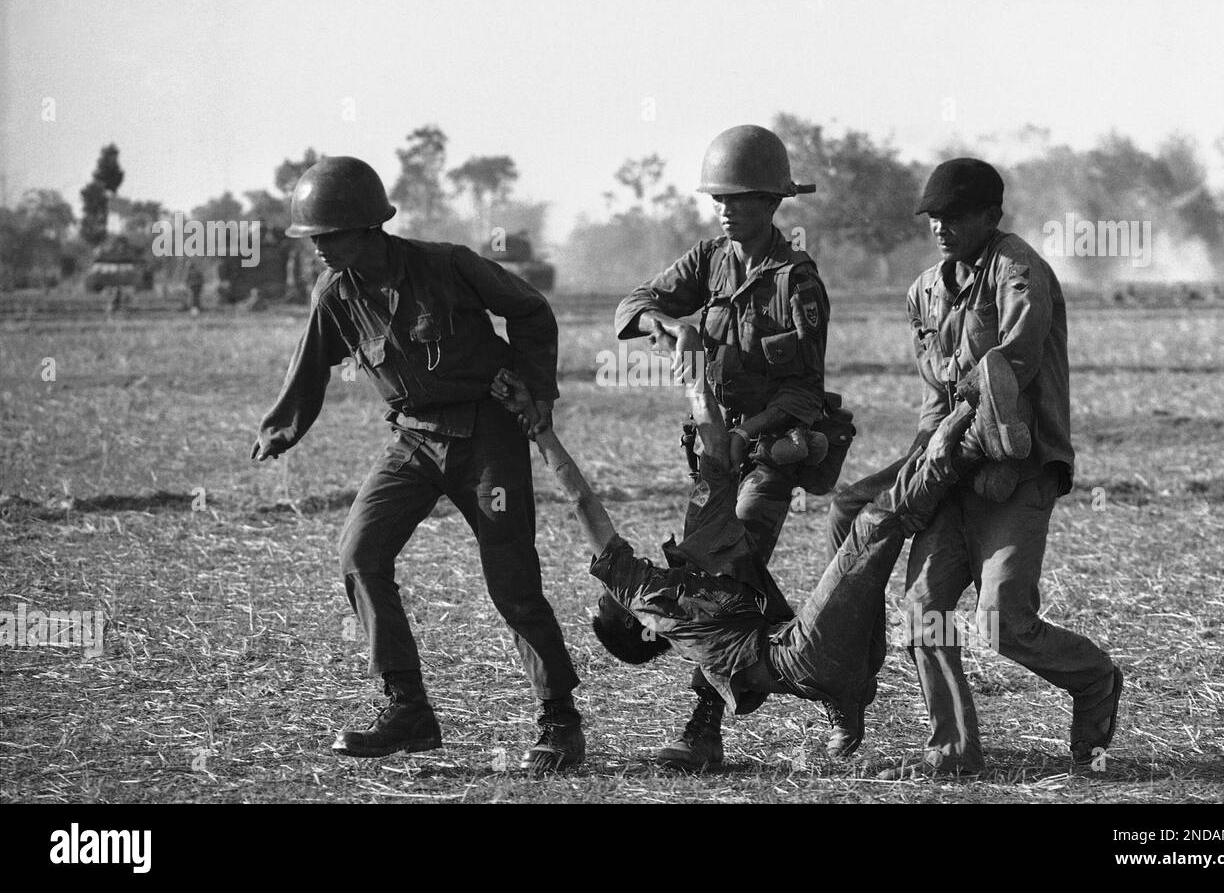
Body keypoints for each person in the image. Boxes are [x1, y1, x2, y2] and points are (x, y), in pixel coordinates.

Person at [489, 337, 1041, 767]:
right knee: (872, 528)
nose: (616, 590)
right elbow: (582, 500)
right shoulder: (654, 599)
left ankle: (848, 713)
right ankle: (969, 431)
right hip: (806, 660)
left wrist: (694, 365)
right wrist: (540, 432)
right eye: (614, 604)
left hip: (838, 665)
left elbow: (709, 437)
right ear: (645, 629)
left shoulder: (694, 549)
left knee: (849, 512)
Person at [250, 155, 585, 773]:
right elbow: (309, 363)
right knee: (359, 554)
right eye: (312, 238)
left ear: (368, 228)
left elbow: (532, 310)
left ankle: (559, 718)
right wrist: (281, 428)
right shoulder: (338, 294)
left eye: (328, 235)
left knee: (510, 579)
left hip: (487, 435)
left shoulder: (447, 264)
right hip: (413, 440)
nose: (318, 248)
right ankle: (407, 708)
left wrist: (536, 390)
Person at [863, 157, 1122, 780]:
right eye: (934, 217)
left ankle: (1094, 679)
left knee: (1003, 622)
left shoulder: (1019, 270)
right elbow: (932, 398)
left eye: (955, 216)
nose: (941, 227)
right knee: (923, 609)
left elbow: (1014, 364)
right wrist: (921, 471)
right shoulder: (924, 292)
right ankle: (953, 751)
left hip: (1016, 472)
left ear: (991, 217)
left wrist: (960, 433)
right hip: (951, 474)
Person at [613, 124, 835, 768]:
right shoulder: (708, 260)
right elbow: (634, 302)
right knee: (717, 572)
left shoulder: (799, 284)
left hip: (767, 455)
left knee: (725, 572)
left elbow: (805, 393)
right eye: (720, 197)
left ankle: (702, 725)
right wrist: (669, 323)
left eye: (739, 197)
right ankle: (805, 658)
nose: (725, 207)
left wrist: (746, 433)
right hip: (712, 455)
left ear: (772, 203)